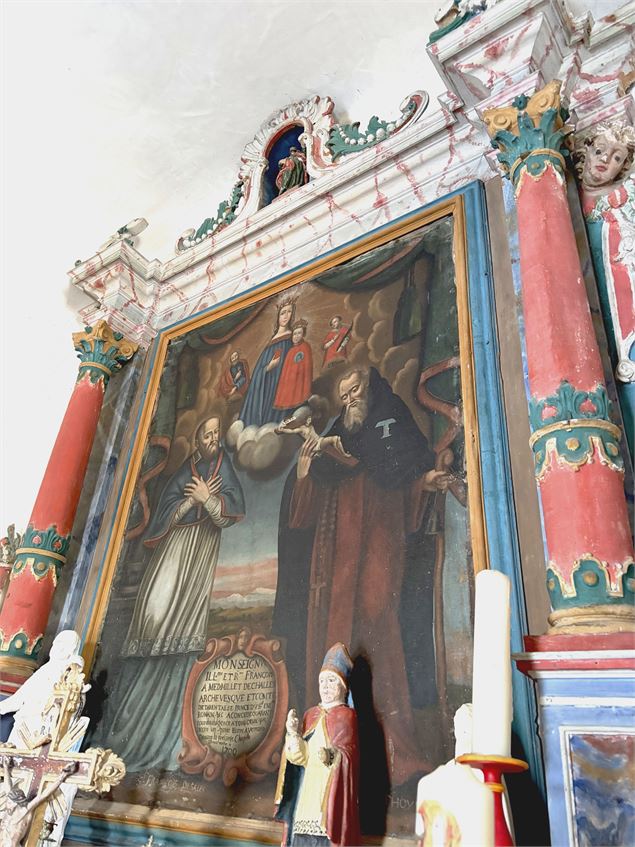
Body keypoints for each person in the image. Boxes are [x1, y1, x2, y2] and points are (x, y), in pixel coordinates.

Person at [276, 368, 451, 786]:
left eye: (354, 390)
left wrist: (423, 481)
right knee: (335, 641)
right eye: (343, 395)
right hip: (335, 570)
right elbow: (303, 516)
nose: (349, 399)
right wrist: (304, 473)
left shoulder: (387, 440)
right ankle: (330, 747)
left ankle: (392, 748)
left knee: (378, 632)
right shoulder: (334, 447)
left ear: (370, 390)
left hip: (376, 555)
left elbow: (403, 476)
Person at [99, 415, 245, 771]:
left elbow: (229, 512)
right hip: (173, 552)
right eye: (207, 434)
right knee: (153, 616)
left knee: (180, 634)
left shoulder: (224, 469)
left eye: (216, 434)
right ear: (197, 440)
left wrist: (208, 500)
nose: (213, 439)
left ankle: (166, 737)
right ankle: (124, 727)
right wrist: (191, 502)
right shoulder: (185, 471)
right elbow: (164, 515)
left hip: (199, 559)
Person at [577, 121, 635, 454]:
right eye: (600, 151)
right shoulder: (565, 196)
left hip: (624, 298)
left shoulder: (625, 196)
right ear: (585, 151)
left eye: (616, 158)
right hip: (590, 299)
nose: (604, 161)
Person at [274, 643, 360, 847]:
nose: (325, 686)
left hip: (328, 800)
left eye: (332, 680)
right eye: (322, 681)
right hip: (306, 800)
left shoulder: (346, 716)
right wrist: (293, 733)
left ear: (343, 686)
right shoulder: (310, 715)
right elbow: (299, 758)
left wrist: (332, 756)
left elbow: (350, 757)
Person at [239, 298, 296, 427]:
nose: (286, 316)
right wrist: (267, 367)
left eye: (289, 312)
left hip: (282, 383)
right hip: (269, 382)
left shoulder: (291, 338)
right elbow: (259, 370)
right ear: (278, 316)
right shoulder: (272, 341)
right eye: (283, 313)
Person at [1, 756, 77, 847]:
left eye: (9, 802)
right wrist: (5, 767)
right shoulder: (9, 810)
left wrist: (63, 776)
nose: (7, 804)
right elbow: (8, 789)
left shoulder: (24, 811)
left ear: (16, 804)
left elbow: (43, 795)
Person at [273, 320, 314, 413]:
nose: (296, 336)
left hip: (300, 383)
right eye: (294, 334)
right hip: (290, 385)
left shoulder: (305, 347)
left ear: (303, 334)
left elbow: (307, 368)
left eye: (299, 333)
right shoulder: (291, 351)